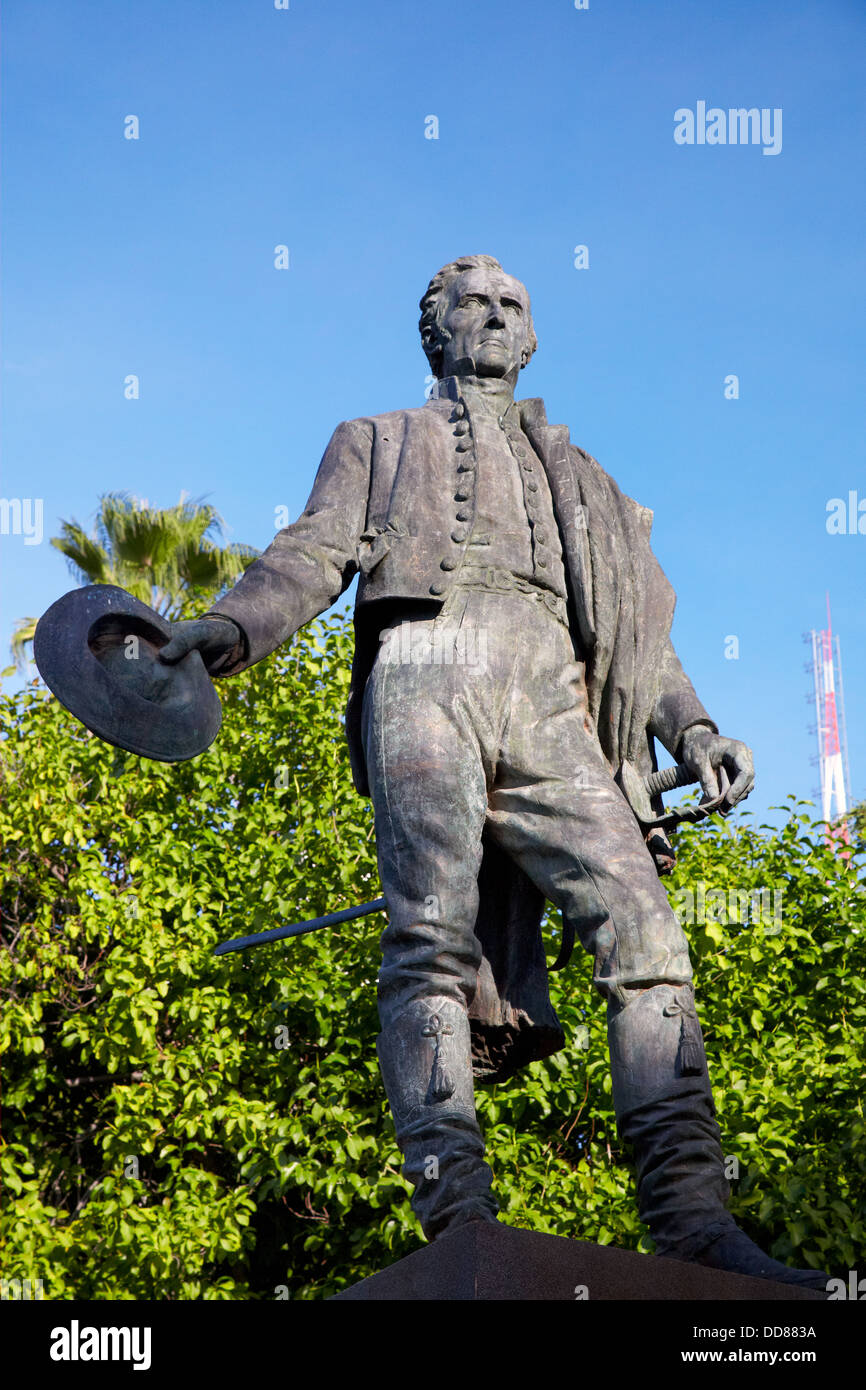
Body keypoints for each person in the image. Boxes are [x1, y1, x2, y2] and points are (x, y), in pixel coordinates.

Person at [160, 254, 826, 1289]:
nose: (490, 314)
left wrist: (691, 729)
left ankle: (692, 1219)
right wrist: (226, 629)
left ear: (529, 337)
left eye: (510, 304)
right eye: (467, 301)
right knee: (427, 935)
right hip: (424, 663)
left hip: (550, 690)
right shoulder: (375, 440)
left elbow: (635, 630)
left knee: (643, 929)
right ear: (433, 331)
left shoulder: (586, 479)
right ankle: (454, 1207)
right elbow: (308, 554)